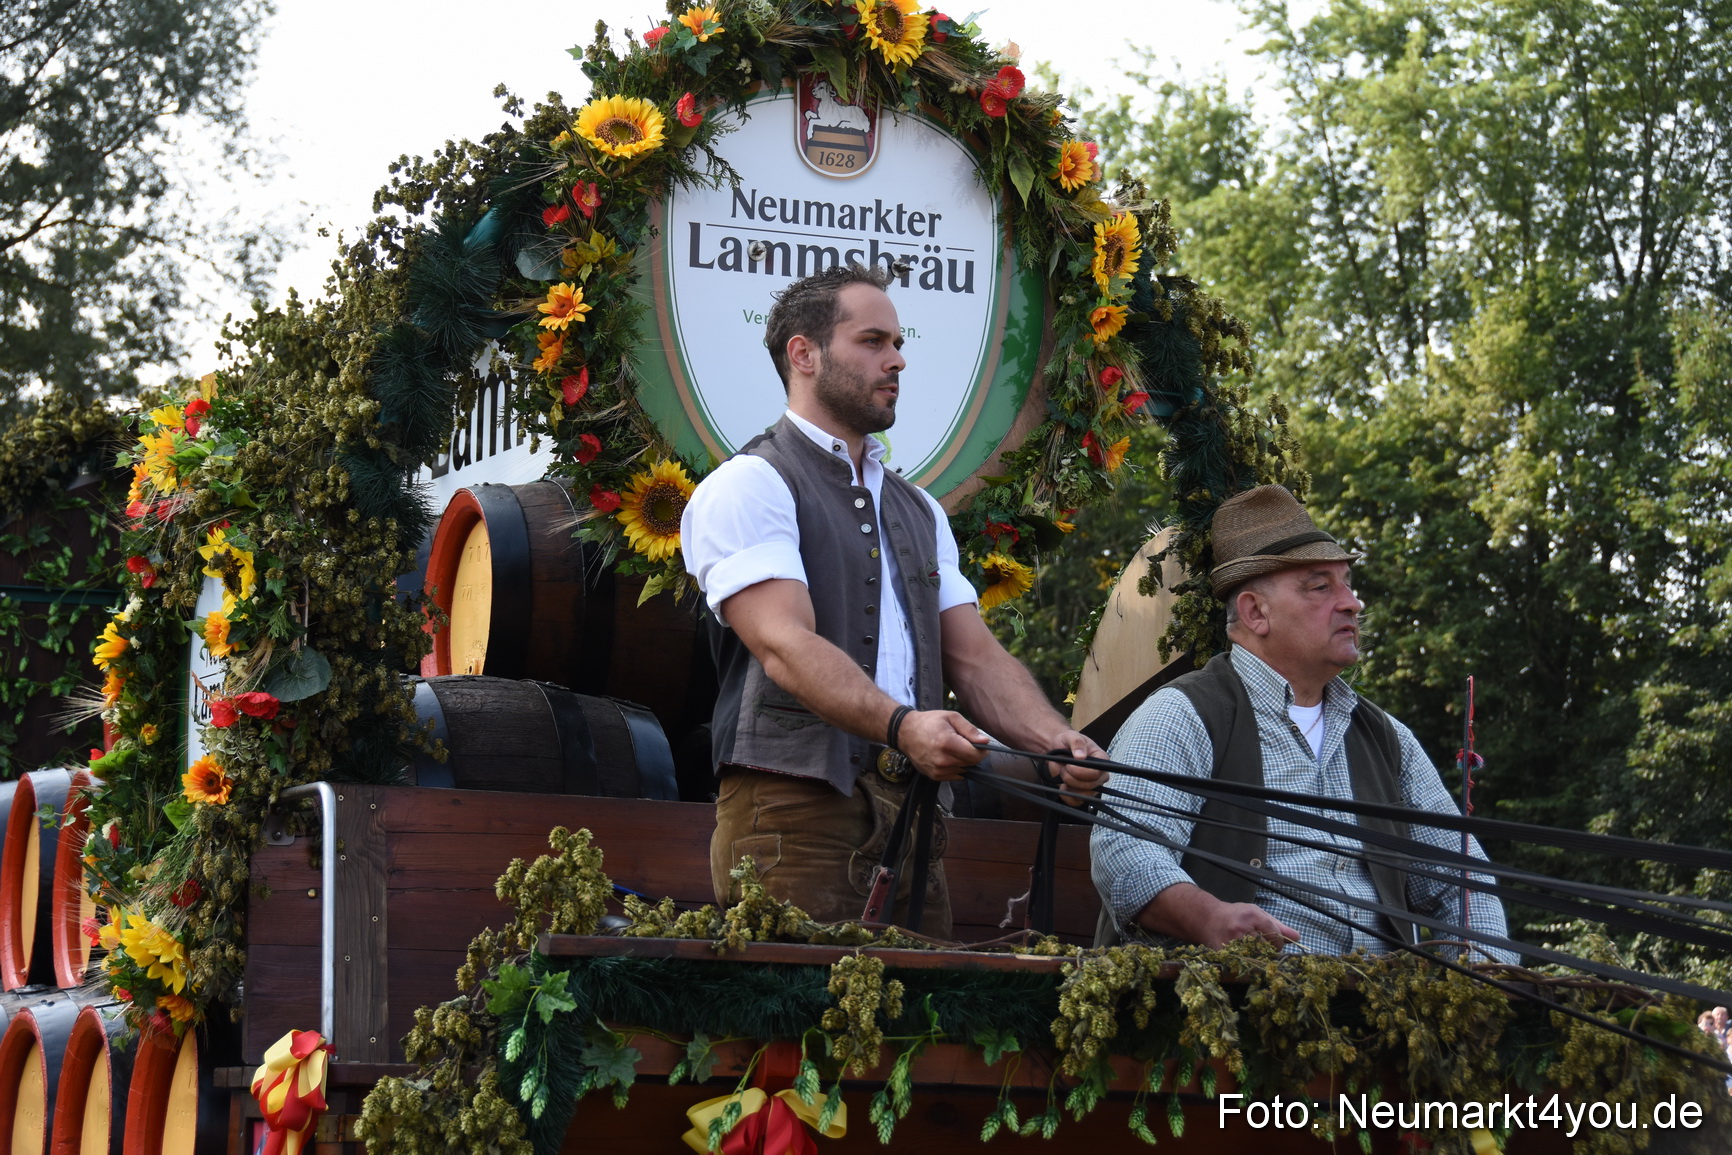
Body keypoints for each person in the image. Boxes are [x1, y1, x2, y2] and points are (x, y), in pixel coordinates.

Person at [680, 263, 1106, 935]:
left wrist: (1054, 740)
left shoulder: (919, 509)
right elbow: (784, 646)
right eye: (873, 341)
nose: (897, 359)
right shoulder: (749, 483)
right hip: (795, 812)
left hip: (915, 816)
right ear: (804, 354)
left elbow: (973, 657)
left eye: (898, 343)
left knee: (918, 1029)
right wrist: (906, 725)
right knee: (801, 1033)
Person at [1090, 484, 1517, 961]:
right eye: (1321, 586)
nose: (1352, 602)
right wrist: (1209, 917)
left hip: (1384, 1014)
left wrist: (1488, 981)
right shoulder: (1180, 715)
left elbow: (1462, 881)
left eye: (1348, 583)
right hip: (1227, 1009)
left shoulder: (1386, 737)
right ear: (1255, 612)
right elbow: (1124, 852)